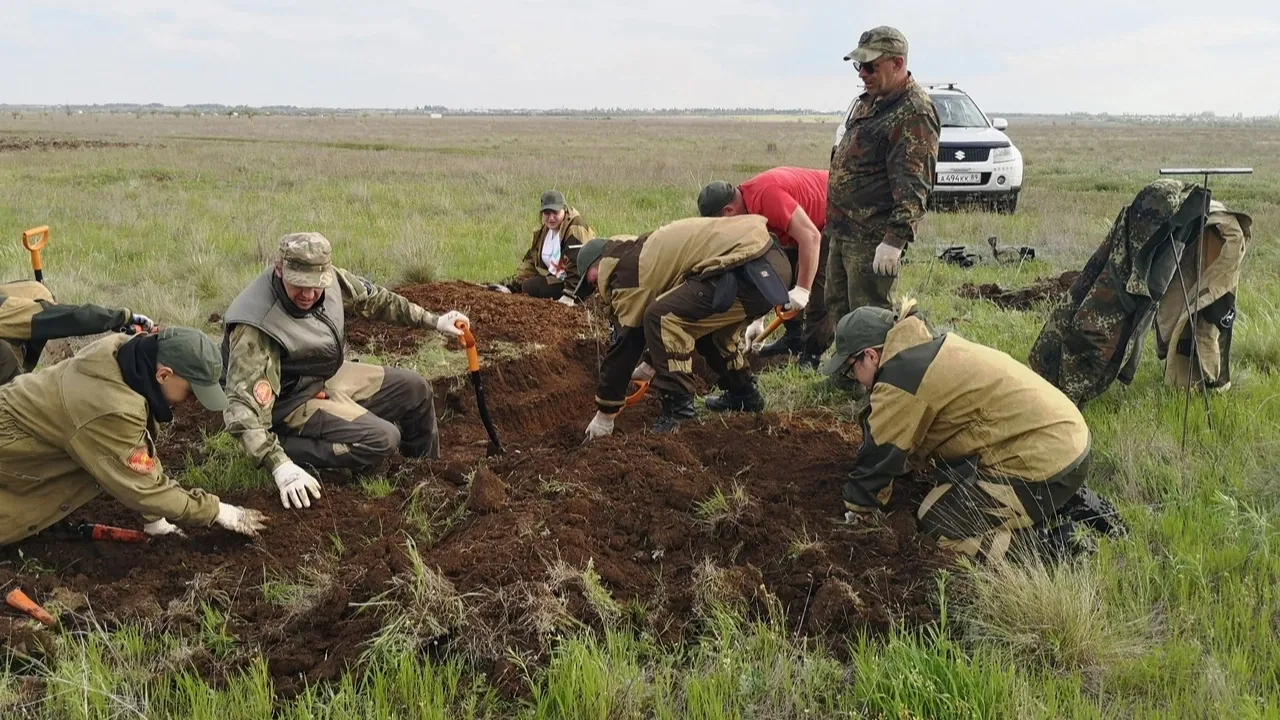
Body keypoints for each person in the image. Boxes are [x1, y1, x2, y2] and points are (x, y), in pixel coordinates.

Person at [821, 301, 1097, 562]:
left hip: (1048, 463)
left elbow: (878, 460)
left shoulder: (901, 380)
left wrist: (857, 512)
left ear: (870, 355)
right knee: (945, 489)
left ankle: (1049, 547)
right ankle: (1059, 502)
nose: (854, 380)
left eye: (850, 370)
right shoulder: (923, 348)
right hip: (1064, 440)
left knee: (938, 526)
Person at [221, 232, 469, 509]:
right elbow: (243, 410)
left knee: (416, 388)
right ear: (280, 270)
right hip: (288, 401)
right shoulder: (256, 326)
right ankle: (287, 448)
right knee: (383, 439)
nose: (308, 294)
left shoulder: (331, 281)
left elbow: (375, 299)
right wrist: (279, 466)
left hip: (321, 375)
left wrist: (434, 321)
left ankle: (423, 474)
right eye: (299, 285)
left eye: (316, 285)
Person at [0, 327, 267, 545]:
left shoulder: (128, 357)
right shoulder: (108, 408)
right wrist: (217, 511)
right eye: (191, 392)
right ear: (164, 374)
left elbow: (139, 445)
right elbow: (143, 487)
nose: (193, 402)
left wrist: (155, 520)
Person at [572, 215, 793, 437]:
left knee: (660, 318)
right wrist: (650, 364)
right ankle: (744, 393)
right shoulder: (641, 252)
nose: (596, 290)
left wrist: (605, 413)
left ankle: (680, 412)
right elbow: (682, 303)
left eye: (591, 281)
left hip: (748, 269)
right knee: (706, 330)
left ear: (600, 261)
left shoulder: (628, 272)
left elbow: (628, 342)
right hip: (770, 263)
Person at [826, 26, 940, 320]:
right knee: (840, 314)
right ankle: (846, 366)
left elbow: (914, 187)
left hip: (871, 238)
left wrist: (893, 241)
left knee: (868, 322)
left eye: (870, 66)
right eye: (859, 65)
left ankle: (874, 367)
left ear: (898, 63)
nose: (862, 73)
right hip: (843, 230)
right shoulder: (871, 101)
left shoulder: (913, 112)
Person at [697, 167, 830, 368]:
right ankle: (794, 336)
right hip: (805, 228)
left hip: (834, 213)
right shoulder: (746, 208)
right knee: (783, 267)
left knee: (818, 282)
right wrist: (758, 320)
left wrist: (803, 289)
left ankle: (812, 356)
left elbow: (811, 238)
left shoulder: (765, 197)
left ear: (729, 211)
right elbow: (768, 265)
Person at [0, 279, 154, 386]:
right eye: (46, 305)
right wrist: (122, 318)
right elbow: (70, 318)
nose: (52, 305)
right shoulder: (7, 311)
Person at [488, 190, 595, 306]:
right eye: (547, 213)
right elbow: (531, 261)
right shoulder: (545, 231)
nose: (551, 218)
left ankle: (577, 298)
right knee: (530, 285)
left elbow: (578, 264)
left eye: (555, 213)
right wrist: (512, 287)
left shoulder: (575, 228)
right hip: (559, 278)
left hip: (583, 283)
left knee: (533, 286)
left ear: (564, 209)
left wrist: (569, 296)